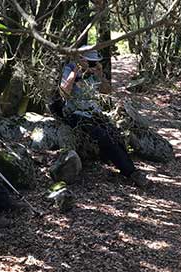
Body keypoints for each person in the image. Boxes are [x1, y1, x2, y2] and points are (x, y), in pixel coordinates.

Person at [58, 47, 148, 188]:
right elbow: (64, 92)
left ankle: (130, 169)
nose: (92, 64)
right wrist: (77, 71)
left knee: (115, 133)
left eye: (94, 62)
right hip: (76, 114)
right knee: (103, 136)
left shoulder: (93, 74)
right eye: (90, 62)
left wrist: (99, 74)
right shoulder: (70, 69)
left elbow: (106, 91)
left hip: (94, 113)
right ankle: (131, 172)